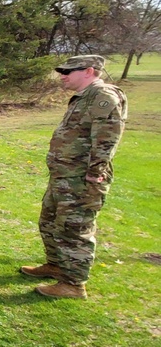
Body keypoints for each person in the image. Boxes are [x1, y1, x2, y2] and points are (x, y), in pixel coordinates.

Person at [20, 55, 127, 299]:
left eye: (68, 71)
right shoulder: (84, 97)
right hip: (64, 176)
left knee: (75, 228)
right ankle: (56, 265)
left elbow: (106, 139)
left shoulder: (103, 97)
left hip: (82, 178)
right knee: (49, 221)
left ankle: (74, 284)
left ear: (89, 71)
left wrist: (95, 173)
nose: (63, 76)